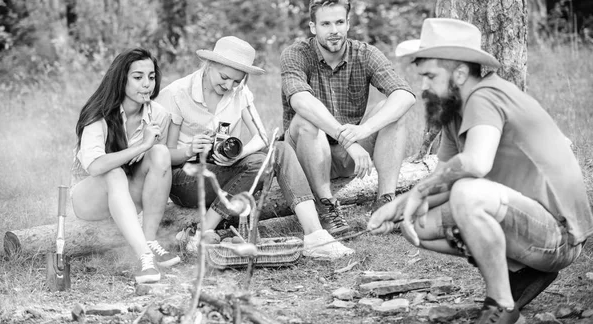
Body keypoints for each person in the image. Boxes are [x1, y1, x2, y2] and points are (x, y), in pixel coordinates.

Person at [368, 18, 593, 324]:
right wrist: (398, 207)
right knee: (419, 223)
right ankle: (522, 273)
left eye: (431, 76)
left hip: (560, 236)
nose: (423, 87)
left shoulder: (486, 96)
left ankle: (501, 305)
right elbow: (443, 179)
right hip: (527, 221)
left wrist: (418, 192)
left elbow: (475, 163)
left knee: (467, 193)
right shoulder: (452, 112)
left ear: (460, 73)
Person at [155, 36, 354, 259]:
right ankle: (203, 230)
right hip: (186, 177)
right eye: (224, 78)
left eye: (237, 81)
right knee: (262, 161)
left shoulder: (239, 93)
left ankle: (315, 236)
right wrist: (190, 150)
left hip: (223, 171)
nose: (229, 86)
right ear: (209, 65)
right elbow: (159, 157)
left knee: (279, 150)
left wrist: (239, 154)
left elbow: (262, 136)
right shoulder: (177, 93)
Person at [280, 0, 416, 236]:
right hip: (305, 151)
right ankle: (327, 208)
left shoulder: (365, 53)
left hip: (348, 153)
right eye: (325, 23)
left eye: (339, 22)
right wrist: (349, 140)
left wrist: (364, 131)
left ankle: (385, 204)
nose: (334, 30)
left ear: (348, 24)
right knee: (306, 119)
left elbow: (405, 95)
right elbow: (300, 100)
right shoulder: (296, 53)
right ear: (313, 27)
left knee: (393, 110)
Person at [71, 48, 181, 284]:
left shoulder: (157, 114)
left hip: (127, 196)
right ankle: (144, 256)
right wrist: (141, 146)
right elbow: (95, 167)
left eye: (151, 77)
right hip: (89, 199)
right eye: (138, 77)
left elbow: (159, 162)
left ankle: (150, 239)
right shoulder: (97, 114)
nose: (147, 85)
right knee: (113, 172)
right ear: (121, 79)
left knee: (160, 153)